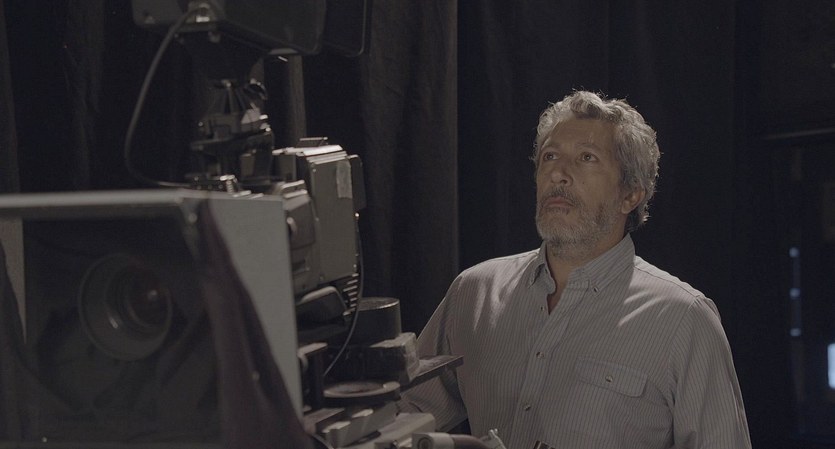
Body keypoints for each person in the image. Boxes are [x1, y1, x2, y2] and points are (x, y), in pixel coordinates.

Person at [399, 91, 751, 449]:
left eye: (586, 157)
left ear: (630, 195)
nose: (557, 173)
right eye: (550, 156)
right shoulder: (473, 293)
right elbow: (402, 420)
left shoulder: (683, 319)